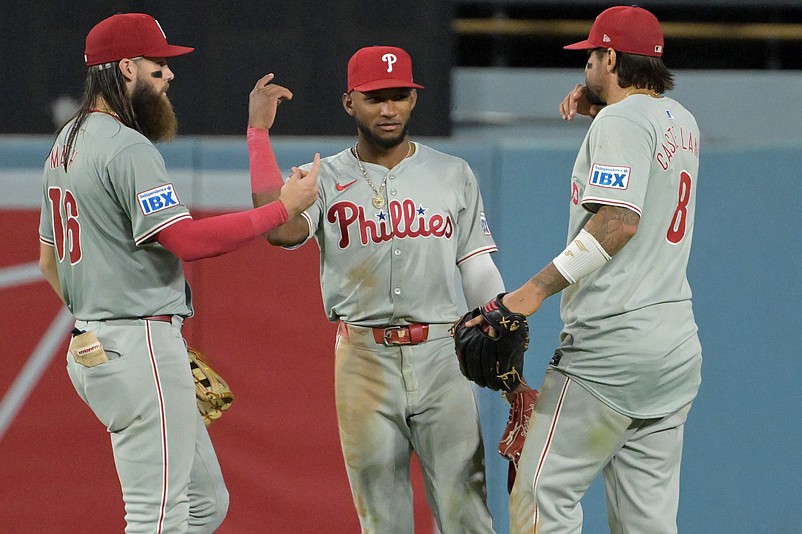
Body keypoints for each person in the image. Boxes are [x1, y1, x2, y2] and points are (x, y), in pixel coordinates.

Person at [37, 13, 319, 533]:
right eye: (159, 66)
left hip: (104, 342)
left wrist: (96, 325)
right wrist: (282, 208)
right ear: (126, 68)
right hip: (136, 342)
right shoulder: (126, 146)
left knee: (205, 504)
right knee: (156, 519)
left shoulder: (66, 142)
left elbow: (48, 261)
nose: (169, 77)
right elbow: (185, 240)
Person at [247, 45, 503, 533]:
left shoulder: (453, 173)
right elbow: (279, 231)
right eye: (375, 98)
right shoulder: (324, 178)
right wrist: (258, 135)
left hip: (442, 355)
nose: (389, 109)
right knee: (382, 520)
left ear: (413, 99)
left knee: (467, 512)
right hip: (364, 359)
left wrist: (496, 322)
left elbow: (475, 265)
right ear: (350, 103)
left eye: (400, 96)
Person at [471, 6, 703, 533]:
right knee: (647, 522)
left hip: (612, 348)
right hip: (673, 350)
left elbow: (619, 222)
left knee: (539, 493)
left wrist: (532, 291)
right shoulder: (681, 120)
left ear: (612, 57)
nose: (586, 68)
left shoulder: (623, 121)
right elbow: (647, 171)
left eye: (592, 57)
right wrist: (605, 113)